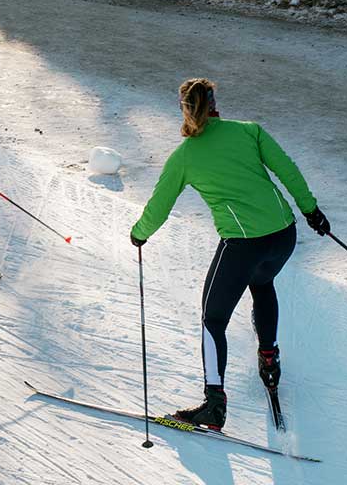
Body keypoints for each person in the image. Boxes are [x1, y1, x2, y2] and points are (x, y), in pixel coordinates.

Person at [129, 78, 330, 430]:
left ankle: (214, 404)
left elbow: (159, 207)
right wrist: (311, 210)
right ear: (214, 102)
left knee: (213, 319)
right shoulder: (249, 132)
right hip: (283, 236)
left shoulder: (185, 157)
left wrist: (139, 234)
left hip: (242, 244)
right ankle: (269, 359)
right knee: (263, 283)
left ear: (185, 109)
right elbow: (288, 171)